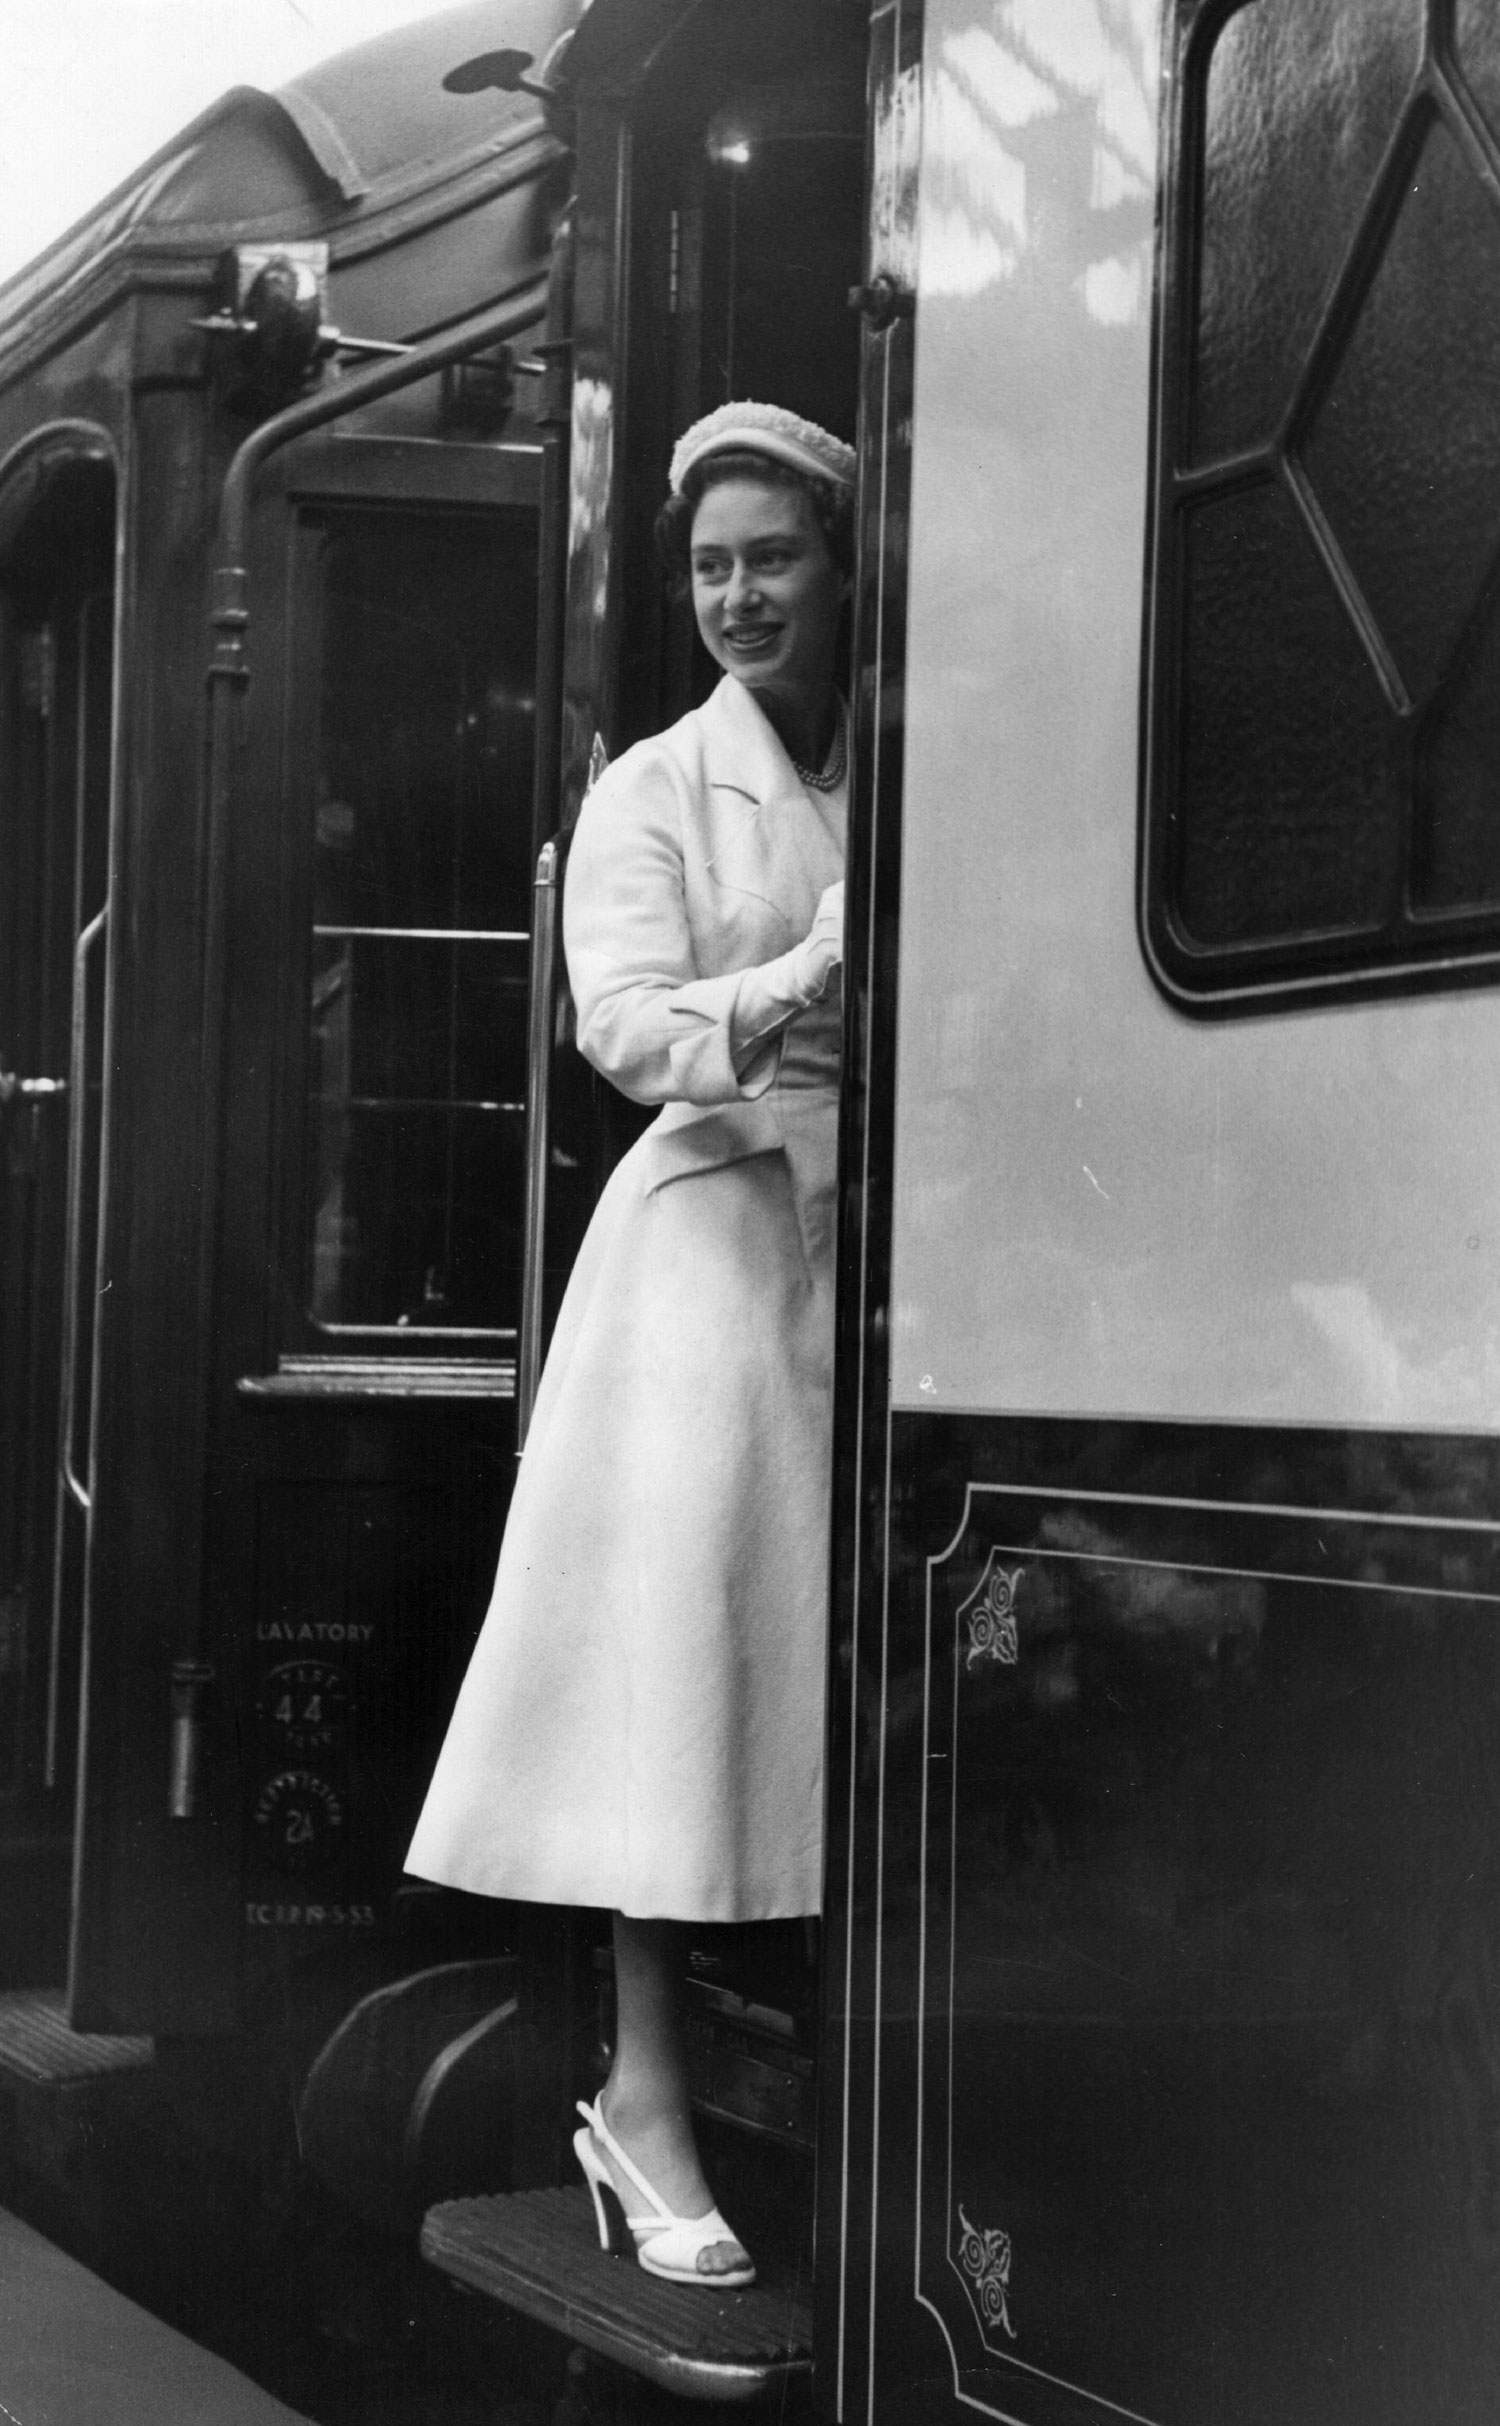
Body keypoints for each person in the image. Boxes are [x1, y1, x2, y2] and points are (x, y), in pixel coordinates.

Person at [405, 400, 855, 2287]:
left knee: (854, 1680)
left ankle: (851, 2084)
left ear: (840, 563)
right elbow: (627, 1024)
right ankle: (644, 2095)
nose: (739, 594)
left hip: (887, 1242)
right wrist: (811, 971)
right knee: (678, 1676)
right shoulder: (659, 782)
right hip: (712, 1251)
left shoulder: (903, 759)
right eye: (710, 566)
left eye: (773, 555)